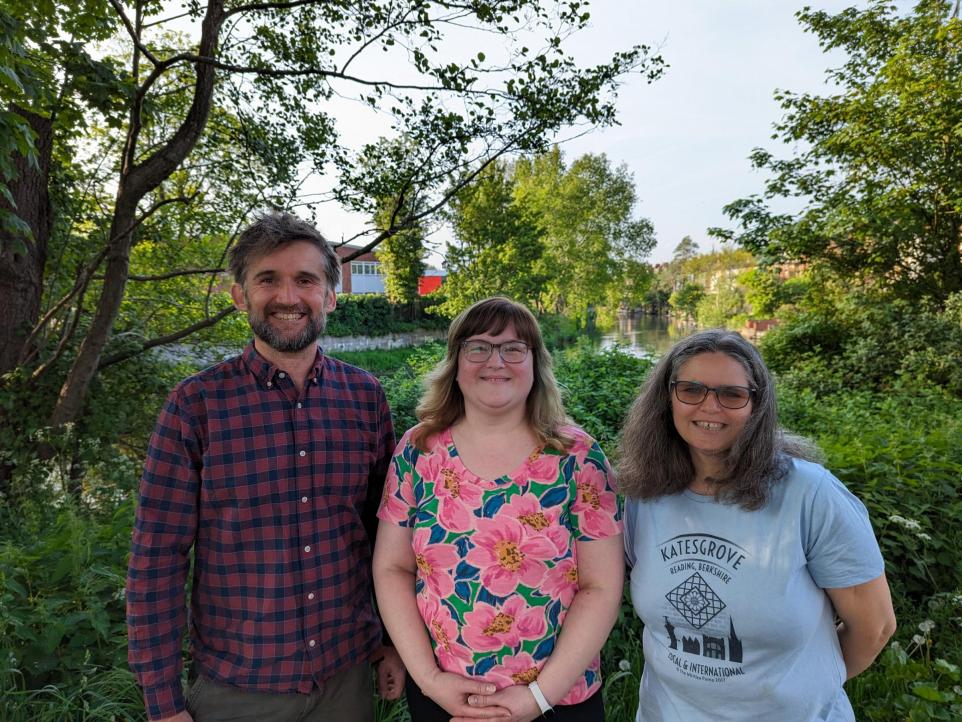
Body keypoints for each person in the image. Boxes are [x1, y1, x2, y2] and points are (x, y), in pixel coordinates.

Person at [126, 211, 404, 722]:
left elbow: (385, 534)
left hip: (346, 678)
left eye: (306, 280)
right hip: (237, 688)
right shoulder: (195, 407)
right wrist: (162, 703)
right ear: (240, 296)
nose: (289, 297)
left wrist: (390, 640)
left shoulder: (366, 398)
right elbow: (157, 560)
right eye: (268, 279)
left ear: (331, 296)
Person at [617, 329, 896, 722]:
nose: (710, 406)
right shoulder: (644, 496)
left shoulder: (810, 494)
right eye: (691, 389)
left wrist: (803, 689)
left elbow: (876, 626)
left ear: (757, 405)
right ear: (667, 398)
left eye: (732, 394)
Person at [373, 296, 625, 722]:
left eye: (514, 348)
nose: (496, 361)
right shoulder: (418, 451)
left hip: (557, 702)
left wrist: (538, 698)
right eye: (478, 347)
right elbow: (392, 569)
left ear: (534, 363)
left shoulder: (577, 456)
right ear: (455, 362)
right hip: (444, 696)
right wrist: (430, 680)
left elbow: (600, 587)